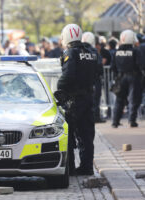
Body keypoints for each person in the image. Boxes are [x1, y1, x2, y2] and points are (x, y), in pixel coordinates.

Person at [57, 24, 97, 175]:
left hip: (74, 100)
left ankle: (71, 168)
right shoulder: (91, 53)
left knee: (70, 135)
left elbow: (67, 76)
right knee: (87, 134)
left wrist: (59, 89)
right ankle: (87, 167)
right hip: (88, 98)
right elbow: (98, 73)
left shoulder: (71, 53)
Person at [111, 30, 142, 128]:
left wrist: (117, 75)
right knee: (133, 99)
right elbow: (140, 64)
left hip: (121, 77)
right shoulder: (135, 51)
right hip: (134, 77)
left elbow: (113, 66)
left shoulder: (117, 52)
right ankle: (132, 121)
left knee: (119, 99)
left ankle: (115, 121)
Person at [82, 32, 105, 123]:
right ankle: (96, 117)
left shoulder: (77, 51)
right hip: (94, 79)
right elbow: (100, 67)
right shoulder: (94, 52)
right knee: (95, 99)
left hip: (83, 80)